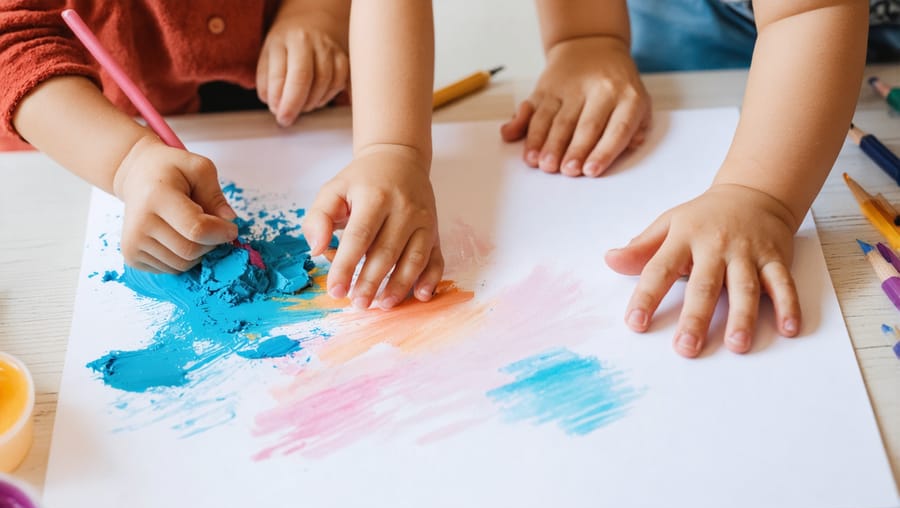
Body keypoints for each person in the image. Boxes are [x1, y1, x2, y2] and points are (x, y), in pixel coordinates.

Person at [1, 0, 442, 311]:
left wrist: (394, 147)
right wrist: (127, 162)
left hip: (315, 110)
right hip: (101, 133)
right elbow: (12, 36)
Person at [502, 0, 875, 357]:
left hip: (852, 45)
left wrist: (755, 194)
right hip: (689, 32)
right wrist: (587, 40)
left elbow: (811, 11)